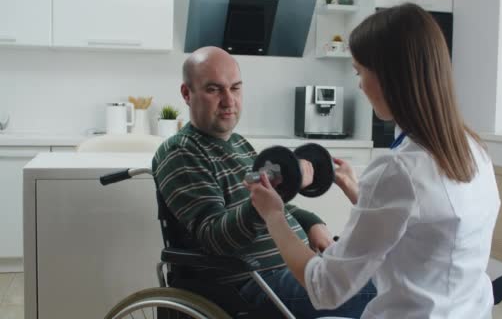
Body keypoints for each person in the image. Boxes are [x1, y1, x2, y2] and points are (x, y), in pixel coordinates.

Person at [245, 3, 501, 319]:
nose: (360, 84)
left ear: (388, 77)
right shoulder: (472, 149)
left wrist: (274, 216)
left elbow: (325, 287)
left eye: (359, 71)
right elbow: (424, 229)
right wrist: (358, 190)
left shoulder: (398, 170)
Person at [152, 46, 376, 318]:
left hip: (292, 265)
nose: (228, 101)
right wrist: (271, 199)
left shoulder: (240, 145)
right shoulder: (181, 152)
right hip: (250, 282)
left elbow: (269, 203)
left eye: (235, 88)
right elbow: (215, 236)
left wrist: (311, 221)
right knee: (382, 285)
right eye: (214, 89)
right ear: (187, 94)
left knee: (384, 266)